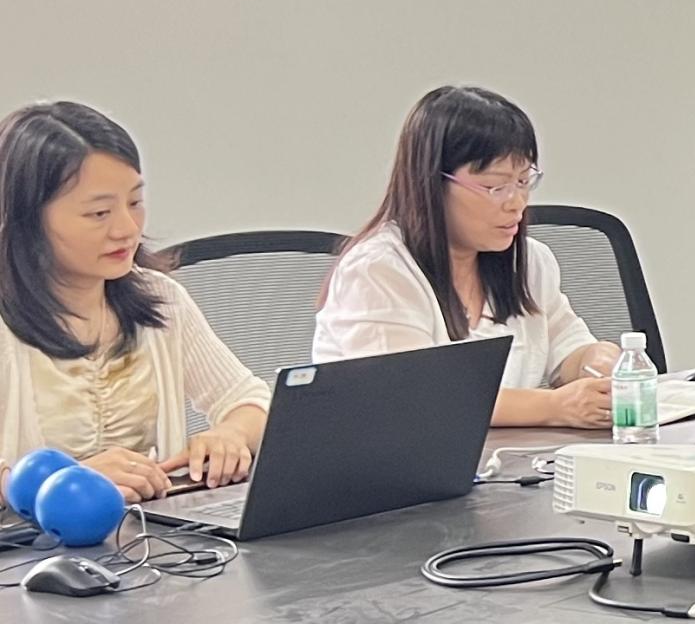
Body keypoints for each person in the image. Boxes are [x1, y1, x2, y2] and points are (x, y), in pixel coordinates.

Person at [0, 101, 270, 505]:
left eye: (134, 203)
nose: (126, 229)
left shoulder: (161, 300)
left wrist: (230, 435)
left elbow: (250, 400)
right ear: (27, 219)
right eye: (99, 213)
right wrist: (62, 483)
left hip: (153, 534)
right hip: (29, 544)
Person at [313, 85, 621, 428]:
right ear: (432, 184)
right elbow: (415, 398)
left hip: (503, 458)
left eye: (524, 181)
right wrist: (554, 406)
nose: (516, 203)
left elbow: (567, 347)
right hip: (389, 458)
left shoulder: (529, 262)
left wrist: (597, 361)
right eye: (495, 186)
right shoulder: (377, 271)